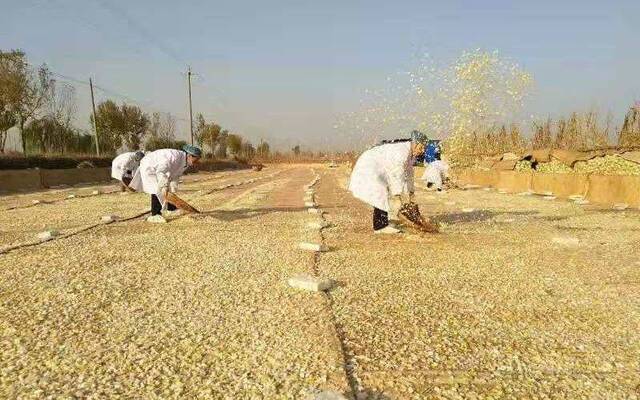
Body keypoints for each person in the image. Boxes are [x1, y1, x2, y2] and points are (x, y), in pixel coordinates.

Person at [348, 138, 425, 234]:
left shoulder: (410, 155)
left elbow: (409, 175)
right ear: (414, 144)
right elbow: (397, 173)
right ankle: (380, 227)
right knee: (380, 192)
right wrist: (398, 196)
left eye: (423, 149)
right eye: (421, 148)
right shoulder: (401, 152)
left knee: (382, 193)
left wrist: (411, 195)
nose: (422, 151)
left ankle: (384, 222)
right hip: (369, 165)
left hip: (377, 168)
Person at [129, 144, 202, 223]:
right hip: (150, 166)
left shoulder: (185, 162)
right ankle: (155, 214)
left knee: (166, 191)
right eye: (196, 159)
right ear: (190, 156)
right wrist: (164, 185)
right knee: (156, 189)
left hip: (159, 169)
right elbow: (161, 171)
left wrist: (173, 189)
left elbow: (175, 175)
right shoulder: (174, 157)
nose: (197, 162)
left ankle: (170, 208)